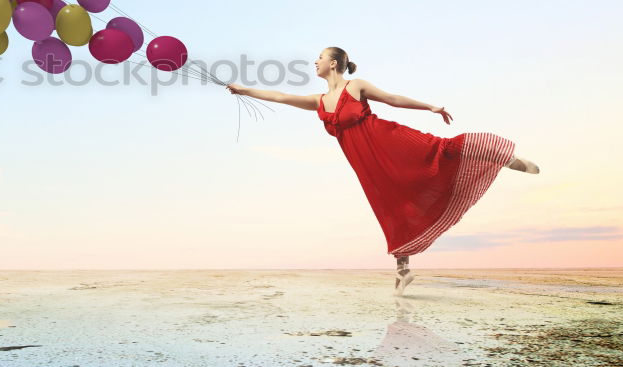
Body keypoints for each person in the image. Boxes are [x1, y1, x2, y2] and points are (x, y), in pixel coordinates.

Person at [225, 46, 540, 296]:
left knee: (439, 150)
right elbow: (280, 96)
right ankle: (403, 271)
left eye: (319, 57)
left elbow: (392, 99)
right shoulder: (318, 100)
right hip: (368, 166)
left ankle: (503, 157)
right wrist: (244, 90)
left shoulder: (356, 86)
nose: (315, 62)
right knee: (390, 209)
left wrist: (430, 107)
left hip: (391, 141)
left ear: (333, 63)